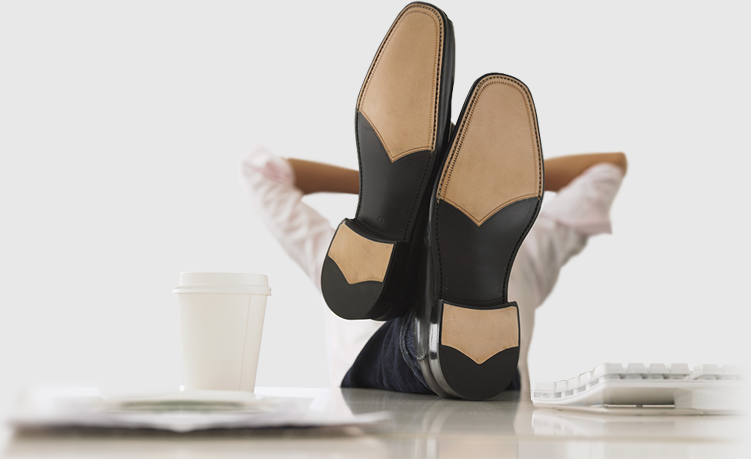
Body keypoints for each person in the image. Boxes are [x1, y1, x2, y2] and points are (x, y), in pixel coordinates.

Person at [240, 145, 626, 396]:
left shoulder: (338, 254)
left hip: (374, 415)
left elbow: (260, 171)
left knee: (411, 350)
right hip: (491, 408)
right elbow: (606, 167)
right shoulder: (525, 246)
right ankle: (461, 306)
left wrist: (404, 188)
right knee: (464, 361)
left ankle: (446, 321)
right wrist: (490, 190)